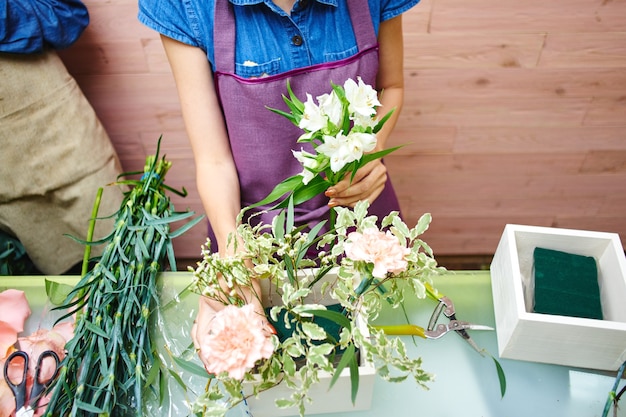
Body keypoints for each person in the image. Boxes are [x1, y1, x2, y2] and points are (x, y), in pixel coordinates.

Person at [138, 0, 420, 367]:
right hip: (254, 234)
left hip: (360, 223)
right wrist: (233, 250)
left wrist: (371, 152)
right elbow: (213, 159)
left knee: (372, 356)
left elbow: (392, 87)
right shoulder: (184, 5)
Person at [0, 0, 126, 275]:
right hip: (4, 184)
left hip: (62, 145)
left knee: (125, 266)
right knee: (41, 304)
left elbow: (69, 18)